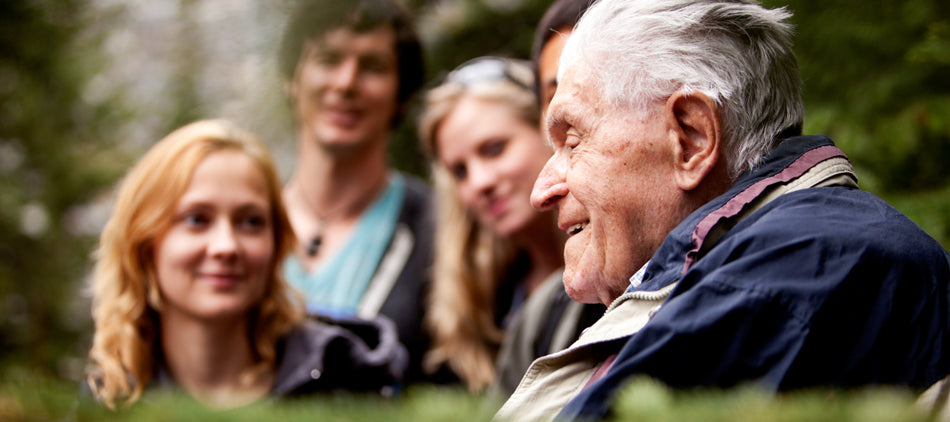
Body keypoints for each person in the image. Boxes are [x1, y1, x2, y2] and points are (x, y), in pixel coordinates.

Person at [495, 1, 950, 421]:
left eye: (573, 142)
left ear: (691, 137)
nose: (543, 191)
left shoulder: (800, 263)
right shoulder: (787, 254)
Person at [85, 119, 406, 410]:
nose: (226, 246)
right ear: (143, 244)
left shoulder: (346, 385)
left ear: (277, 242)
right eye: (197, 219)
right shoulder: (108, 401)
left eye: (250, 222)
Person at [417, 57, 602, 394]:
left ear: (549, 131)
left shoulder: (617, 267)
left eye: (494, 149)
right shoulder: (484, 301)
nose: (479, 182)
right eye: (459, 171)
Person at [277, 0, 434, 384]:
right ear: (291, 78)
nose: (346, 83)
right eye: (328, 59)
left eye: (373, 66)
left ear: (402, 94)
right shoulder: (242, 227)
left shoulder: (438, 229)